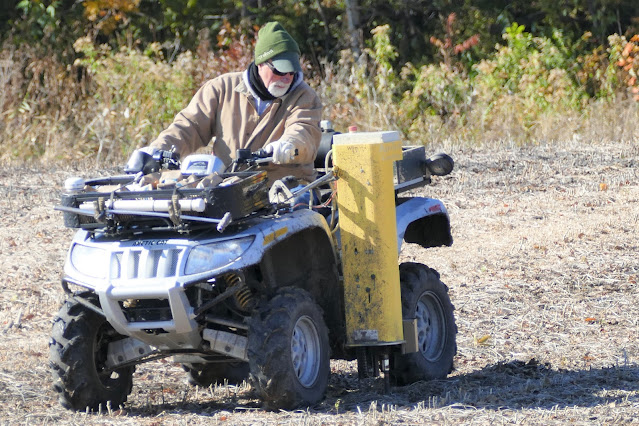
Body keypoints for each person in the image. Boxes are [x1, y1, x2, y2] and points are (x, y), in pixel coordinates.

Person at [125, 21, 322, 183]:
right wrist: (158, 149)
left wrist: (288, 146)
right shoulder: (221, 87)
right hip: (227, 186)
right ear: (261, 62)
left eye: (291, 71)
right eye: (279, 70)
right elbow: (189, 126)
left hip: (282, 187)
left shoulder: (304, 96)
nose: (287, 77)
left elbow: (304, 131)